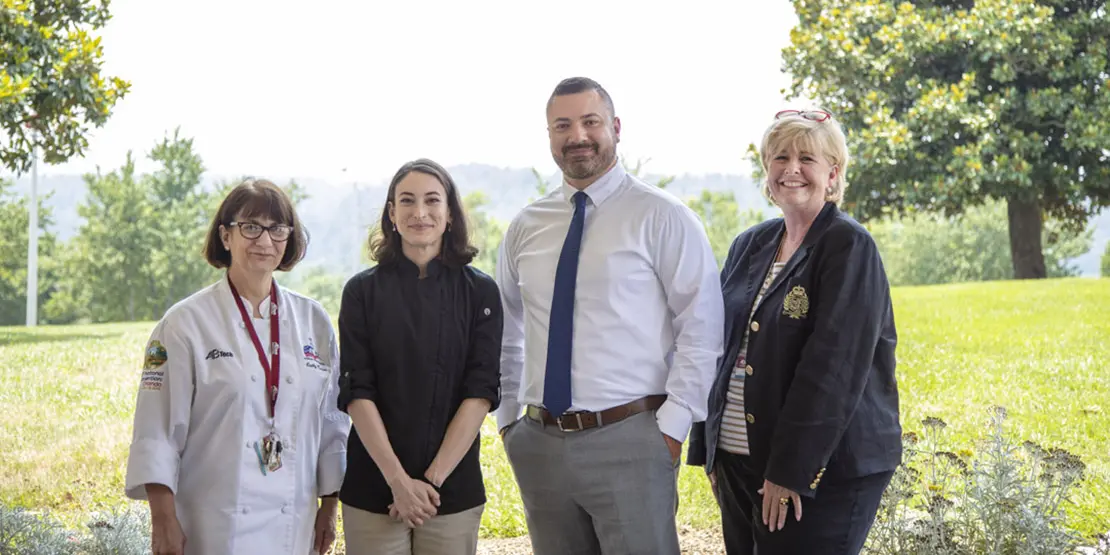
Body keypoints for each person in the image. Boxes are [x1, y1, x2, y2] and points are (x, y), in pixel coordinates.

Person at [495, 76, 725, 555]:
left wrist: (672, 427)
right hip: (539, 442)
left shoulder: (663, 216)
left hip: (633, 440)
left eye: (590, 122)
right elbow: (506, 331)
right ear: (550, 136)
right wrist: (508, 421)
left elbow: (701, 328)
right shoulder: (526, 226)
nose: (577, 136)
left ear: (616, 127)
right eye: (563, 125)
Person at [686, 109, 902, 555]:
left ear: (833, 173)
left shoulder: (847, 246)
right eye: (779, 157)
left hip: (819, 471)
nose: (791, 169)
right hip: (740, 464)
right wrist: (709, 449)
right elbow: (719, 347)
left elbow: (833, 368)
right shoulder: (750, 244)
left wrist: (790, 470)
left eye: (807, 158)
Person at [124, 178, 351, 555]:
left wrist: (329, 510)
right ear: (225, 236)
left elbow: (332, 426)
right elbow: (157, 429)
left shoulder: (313, 321)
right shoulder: (184, 323)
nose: (264, 240)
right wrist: (163, 520)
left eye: (277, 228)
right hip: (211, 524)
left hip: (292, 523)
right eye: (250, 227)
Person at [336, 158, 503, 555]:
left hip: (451, 488)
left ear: (449, 214)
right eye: (406, 201)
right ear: (391, 214)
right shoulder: (361, 292)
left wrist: (430, 482)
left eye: (432, 200)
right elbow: (358, 392)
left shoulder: (481, 293)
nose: (420, 212)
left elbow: (480, 393)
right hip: (374, 485)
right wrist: (398, 481)